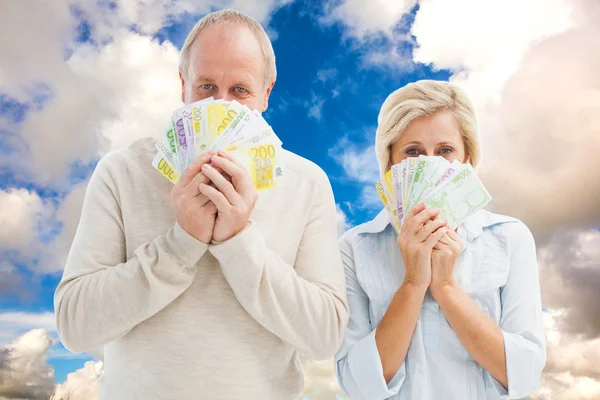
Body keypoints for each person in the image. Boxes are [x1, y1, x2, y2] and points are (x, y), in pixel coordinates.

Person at [54, 9, 348, 400]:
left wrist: (239, 242)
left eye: (240, 90)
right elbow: (75, 327)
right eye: (206, 86)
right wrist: (181, 244)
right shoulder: (122, 172)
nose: (221, 106)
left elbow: (324, 337)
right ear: (183, 85)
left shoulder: (307, 184)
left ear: (266, 92)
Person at [334, 80, 545, 400]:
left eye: (445, 151)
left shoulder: (509, 237)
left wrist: (445, 286)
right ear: (391, 163)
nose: (430, 164)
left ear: (466, 159)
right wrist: (413, 283)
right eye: (413, 152)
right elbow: (357, 385)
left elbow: (524, 374)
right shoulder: (355, 247)